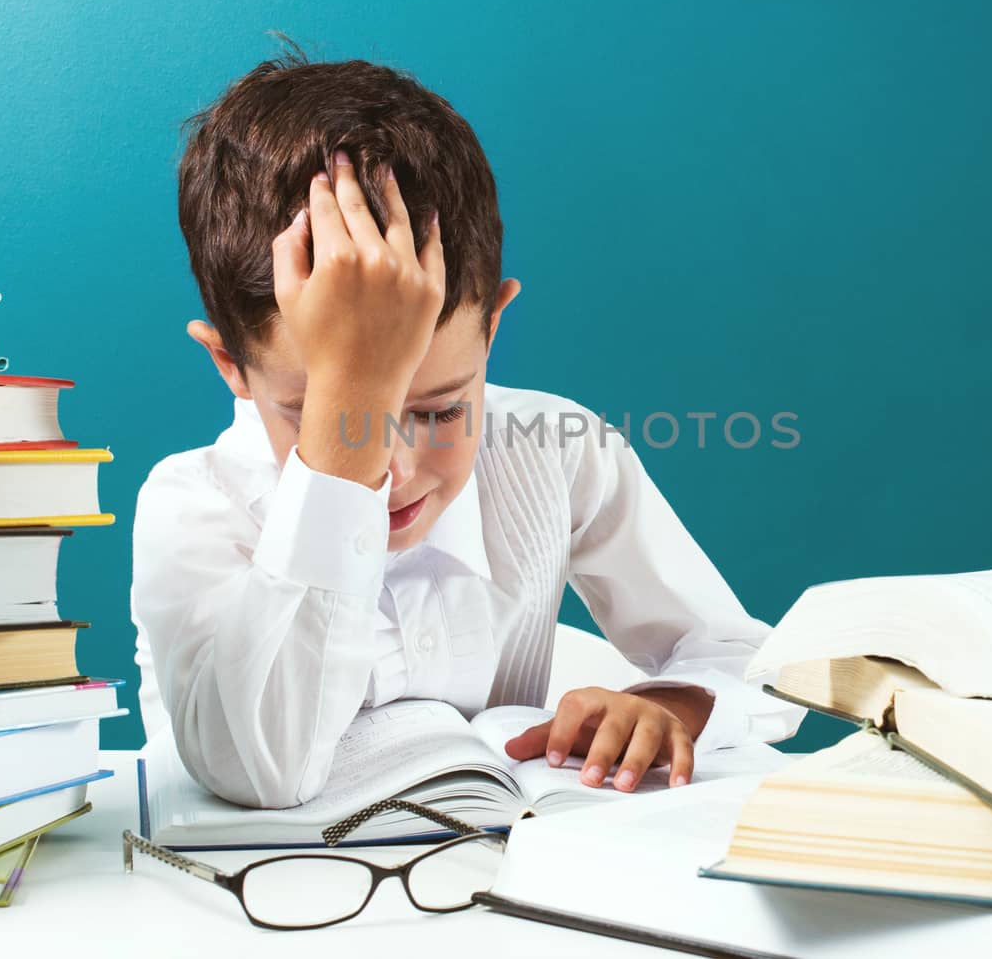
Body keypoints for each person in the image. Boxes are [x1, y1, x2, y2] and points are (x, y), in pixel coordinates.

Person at [130, 48, 804, 809]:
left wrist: (671, 708)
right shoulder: (192, 508)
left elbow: (751, 656)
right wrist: (343, 440)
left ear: (492, 331)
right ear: (230, 365)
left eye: (440, 409)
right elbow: (263, 771)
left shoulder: (556, 450)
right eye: (317, 408)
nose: (396, 469)